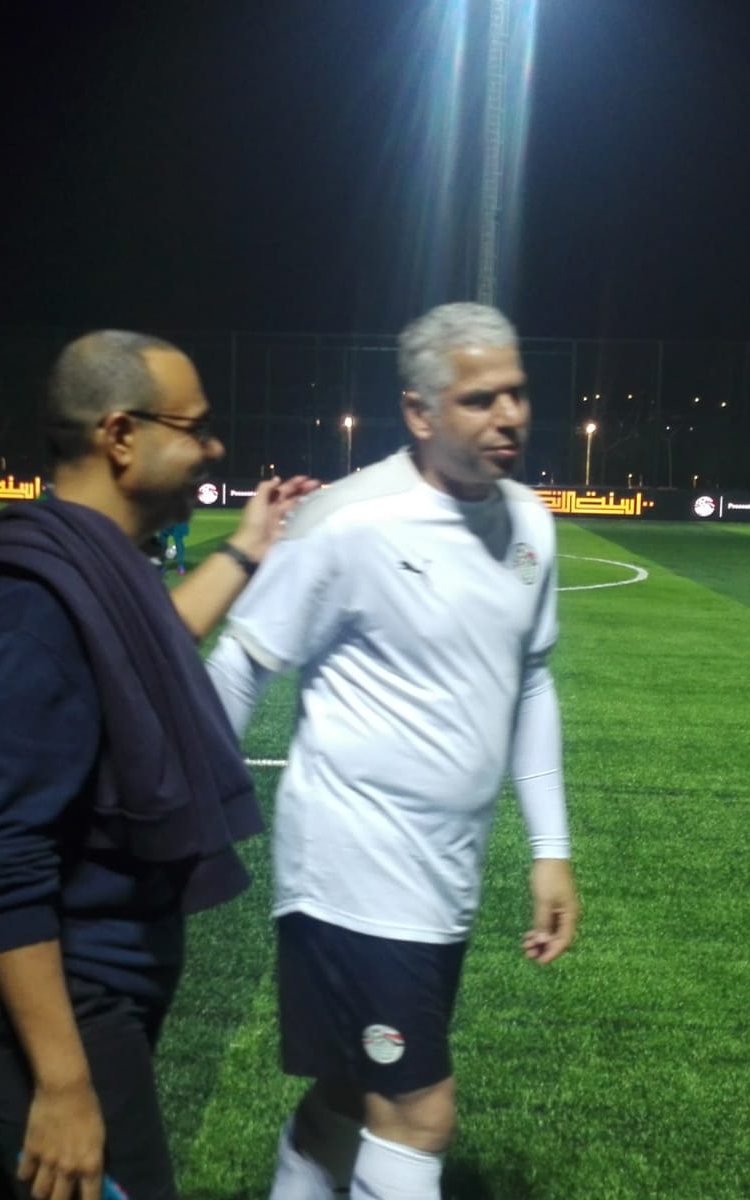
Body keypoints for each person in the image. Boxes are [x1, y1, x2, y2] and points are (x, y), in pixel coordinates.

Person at [0, 330, 315, 1200]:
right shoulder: (23, 604)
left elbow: (148, 647)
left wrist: (249, 547)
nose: (213, 447)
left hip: (90, 980)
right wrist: (64, 1086)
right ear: (120, 436)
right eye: (194, 428)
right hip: (52, 999)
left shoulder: (91, 563)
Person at [206, 302, 580, 1200]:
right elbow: (242, 663)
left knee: (348, 1091)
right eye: (480, 399)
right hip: (352, 868)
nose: (510, 416)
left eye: (517, 393)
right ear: (419, 411)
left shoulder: (531, 522)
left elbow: (530, 679)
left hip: (446, 873)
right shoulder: (349, 520)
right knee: (419, 1112)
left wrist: (551, 848)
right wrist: (181, 815)